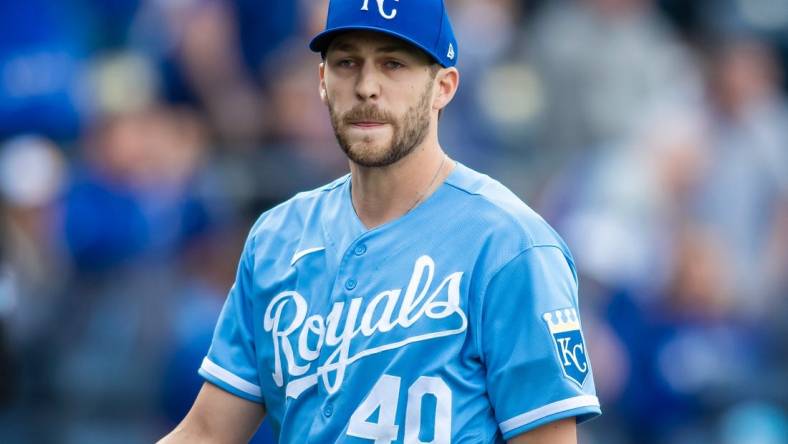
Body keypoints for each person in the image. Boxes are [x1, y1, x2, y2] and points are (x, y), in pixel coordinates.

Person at [158, 0, 601, 442]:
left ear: (443, 86)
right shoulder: (276, 237)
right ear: (322, 82)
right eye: (347, 62)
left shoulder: (511, 245)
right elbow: (206, 432)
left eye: (393, 64)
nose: (367, 86)